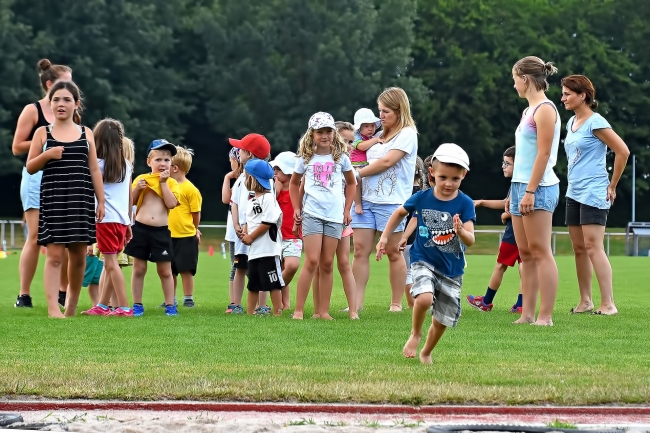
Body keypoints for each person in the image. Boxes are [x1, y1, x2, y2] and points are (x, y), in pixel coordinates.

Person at [377, 143, 475, 364]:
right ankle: (415, 333)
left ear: (463, 176)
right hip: (423, 261)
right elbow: (400, 212)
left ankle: (427, 351)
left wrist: (461, 231)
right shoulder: (422, 197)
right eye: (443, 177)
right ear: (432, 173)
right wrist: (384, 237)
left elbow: (471, 239)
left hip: (452, 269)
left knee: (442, 321)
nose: (448, 184)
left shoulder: (465, 203)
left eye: (455, 179)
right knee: (424, 298)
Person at [26, 81, 105, 318]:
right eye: (56, 100)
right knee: (55, 256)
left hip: (80, 201)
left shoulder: (86, 133)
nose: (61, 104)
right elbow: (30, 167)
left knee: (79, 257)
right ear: (50, 105)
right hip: (54, 200)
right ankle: (53, 308)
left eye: (67, 99)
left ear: (76, 104)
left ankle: (70, 307)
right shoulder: (43, 133)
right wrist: (47, 154)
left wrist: (100, 202)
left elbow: (94, 170)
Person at [561, 75, 629, 316]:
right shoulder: (571, 123)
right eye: (563, 93)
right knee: (579, 247)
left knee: (593, 246)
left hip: (594, 190)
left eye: (568, 93)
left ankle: (608, 304)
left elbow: (622, 151)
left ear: (583, 95)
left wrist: (612, 185)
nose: (563, 98)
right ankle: (585, 301)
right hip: (574, 191)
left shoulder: (596, 122)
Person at [12, 59, 72, 309]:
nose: (69, 89)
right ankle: (24, 295)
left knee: (68, 238)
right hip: (37, 177)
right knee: (36, 236)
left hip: (65, 178)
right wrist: (46, 141)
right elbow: (17, 147)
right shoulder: (32, 110)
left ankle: (62, 292)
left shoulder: (70, 109)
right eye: (65, 83)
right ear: (50, 84)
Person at [353, 87, 418, 312]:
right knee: (360, 250)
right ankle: (356, 303)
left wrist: (356, 174)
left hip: (392, 202)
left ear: (400, 111)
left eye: (386, 111)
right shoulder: (378, 134)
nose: (381, 116)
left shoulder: (407, 134)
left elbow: (387, 162)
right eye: (380, 110)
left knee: (393, 251)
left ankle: (396, 303)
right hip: (365, 199)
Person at [507, 56, 561, 326]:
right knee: (525, 254)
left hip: (538, 188)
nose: (514, 84)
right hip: (520, 186)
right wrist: (515, 192)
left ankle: (545, 316)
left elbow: (544, 154)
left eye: (515, 78)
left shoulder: (545, 110)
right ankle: (527, 314)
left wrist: (529, 191)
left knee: (540, 251)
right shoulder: (528, 111)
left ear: (525, 79)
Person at [290, 112, 355, 320]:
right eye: (320, 132)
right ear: (312, 134)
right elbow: (294, 183)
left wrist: (347, 210)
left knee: (327, 263)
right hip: (312, 214)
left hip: (335, 216)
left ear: (334, 133)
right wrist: (296, 208)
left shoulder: (341, 158)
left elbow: (352, 183)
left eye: (328, 131)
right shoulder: (306, 158)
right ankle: (298, 310)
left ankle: (323, 312)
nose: (324, 135)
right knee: (311, 261)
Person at [81, 119, 133, 317]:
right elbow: (127, 196)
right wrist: (128, 223)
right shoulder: (126, 165)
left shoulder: (97, 165)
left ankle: (124, 307)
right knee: (112, 262)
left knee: (110, 263)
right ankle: (103, 305)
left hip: (105, 220)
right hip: (120, 221)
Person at [125, 139, 180, 317]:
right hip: (140, 229)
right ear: (149, 162)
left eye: (167, 160)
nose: (163, 164)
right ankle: (137, 304)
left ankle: (170, 305)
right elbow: (130, 203)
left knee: (165, 270)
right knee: (139, 268)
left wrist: (163, 183)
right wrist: (137, 190)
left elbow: (171, 204)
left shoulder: (171, 183)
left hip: (161, 231)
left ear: (172, 164)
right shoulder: (142, 179)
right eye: (158, 160)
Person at [466, 146, 523, 313]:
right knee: (525, 265)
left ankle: (486, 302)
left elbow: (515, 209)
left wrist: (506, 216)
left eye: (508, 163)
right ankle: (521, 304)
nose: (503, 167)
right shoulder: (521, 183)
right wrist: (482, 202)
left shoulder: (519, 185)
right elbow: (506, 202)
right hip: (526, 230)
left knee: (501, 265)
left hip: (514, 230)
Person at [229, 133, 272, 314]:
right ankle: (236, 304)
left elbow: (268, 207)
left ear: (250, 154)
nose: (238, 152)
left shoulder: (264, 179)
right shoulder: (241, 178)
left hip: (258, 232)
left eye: (242, 150)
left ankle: (262, 306)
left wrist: (250, 227)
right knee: (240, 267)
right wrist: (237, 225)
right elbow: (235, 203)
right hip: (242, 233)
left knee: (261, 268)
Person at [240, 160, 284, 316]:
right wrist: (245, 232)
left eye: (246, 176)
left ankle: (278, 312)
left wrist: (251, 237)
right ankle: (250, 313)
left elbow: (268, 222)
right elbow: (249, 220)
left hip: (269, 251)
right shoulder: (251, 201)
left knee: (273, 283)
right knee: (253, 284)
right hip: (254, 252)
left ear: (253, 178)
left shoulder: (268, 198)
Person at [168, 146, 202, 308]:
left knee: (186, 268)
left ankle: (188, 297)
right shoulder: (166, 186)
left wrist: (194, 229)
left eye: (167, 162)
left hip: (186, 236)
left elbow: (196, 214)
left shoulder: (190, 189)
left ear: (175, 168)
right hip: (167, 235)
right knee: (169, 269)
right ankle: (170, 298)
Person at [270, 151, 301, 310]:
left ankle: (274, 287)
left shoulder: (299, 190)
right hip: (275, 237)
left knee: (291, 266)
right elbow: (267, 209)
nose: (274, 172)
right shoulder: (273, 189)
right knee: (280, 268)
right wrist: (275, 191)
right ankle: (284, 304)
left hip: (293, 236)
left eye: (278, 169)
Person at [398, 156, 428, 309]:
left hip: (407, 237)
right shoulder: (424, 193)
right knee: (415, 271)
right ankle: (414, 302)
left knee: (408, 271)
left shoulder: (402, 192)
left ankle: (411, 303)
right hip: (420, 238)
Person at [350, 108, 382, 215]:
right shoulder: (356, 136)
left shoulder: (370, 137)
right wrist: (375, 140)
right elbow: (362, 147)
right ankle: (357, 204)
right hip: (356, 165)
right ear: (359, 127)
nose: (370, 129)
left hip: (366, 165)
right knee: (356, 182)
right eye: (366, 126)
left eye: (372, 126)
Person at [222, 148, 242, 313]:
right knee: (235, 266)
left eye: (231, 160)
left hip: (244, 230)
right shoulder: (237, 182)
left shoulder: (246, 181)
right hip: (233, 232)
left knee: (247, 267)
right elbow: (224, 199)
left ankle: (241, 302)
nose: (231, 164)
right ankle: (234, 303)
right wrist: (228, 177)